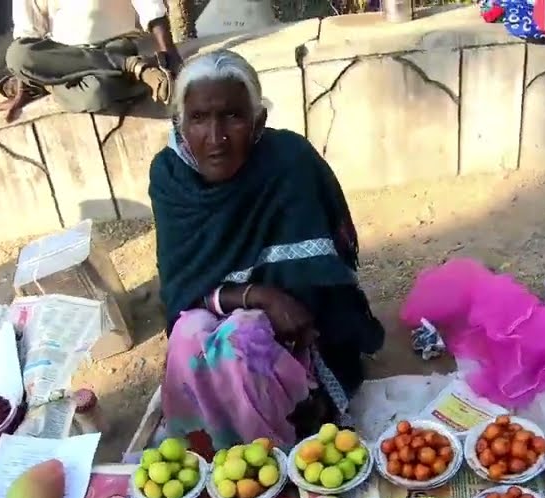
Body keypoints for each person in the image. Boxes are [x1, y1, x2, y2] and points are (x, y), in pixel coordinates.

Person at [149, 50, 384, 452]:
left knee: (245, 339)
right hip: (216, 308)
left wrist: (268, 308)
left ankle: (278, 450)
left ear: (258, 122)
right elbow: (182, 287)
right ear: (180, 123)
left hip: (296, 331)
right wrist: (255, 294)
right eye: (199, 119)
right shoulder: (171, 178)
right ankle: (210, 451)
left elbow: (317, 286)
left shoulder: (288, 162)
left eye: (233, 117)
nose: (216, 137)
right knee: (190, 335)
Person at [0, 0, 185, 123]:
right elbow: (28, 33)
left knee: (97, 93)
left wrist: (168, 49)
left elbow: (149, 5)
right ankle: (128, 65)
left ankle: (46, 83)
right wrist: (22, 88)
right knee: (17, 54)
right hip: (65, 55)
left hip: (115, 44)